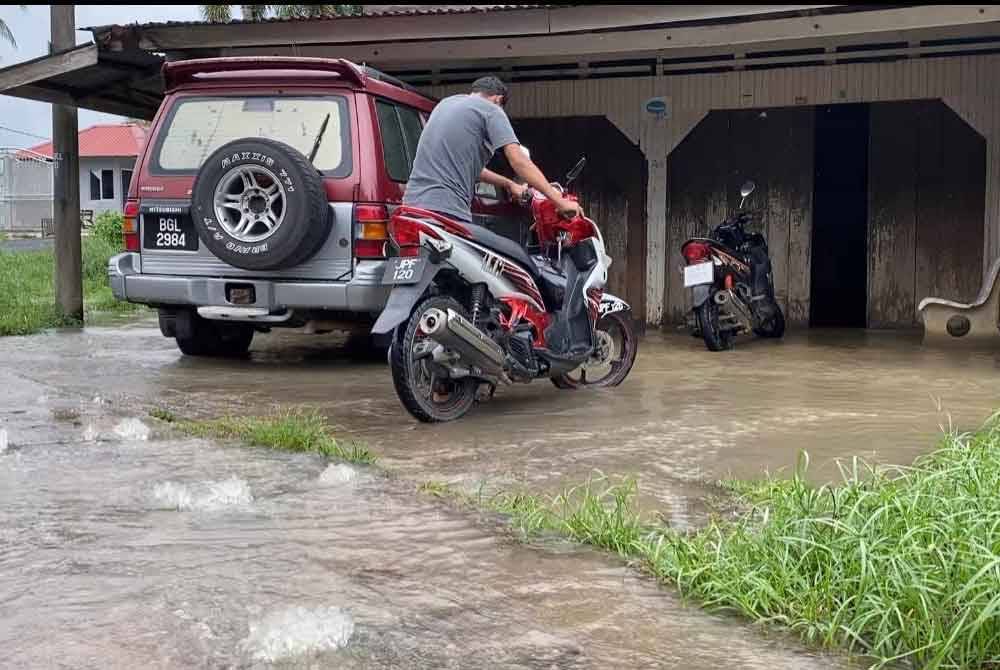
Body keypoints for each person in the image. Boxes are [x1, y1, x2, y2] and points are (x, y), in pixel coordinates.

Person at [402, 75, 582, 225]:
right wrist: (559, 201)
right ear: (498, 100)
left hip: (410, 207)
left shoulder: (445, 104)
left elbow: (472, 168)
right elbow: (519, 161)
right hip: (445, 211)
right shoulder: (491, 110)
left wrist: (510, 185)